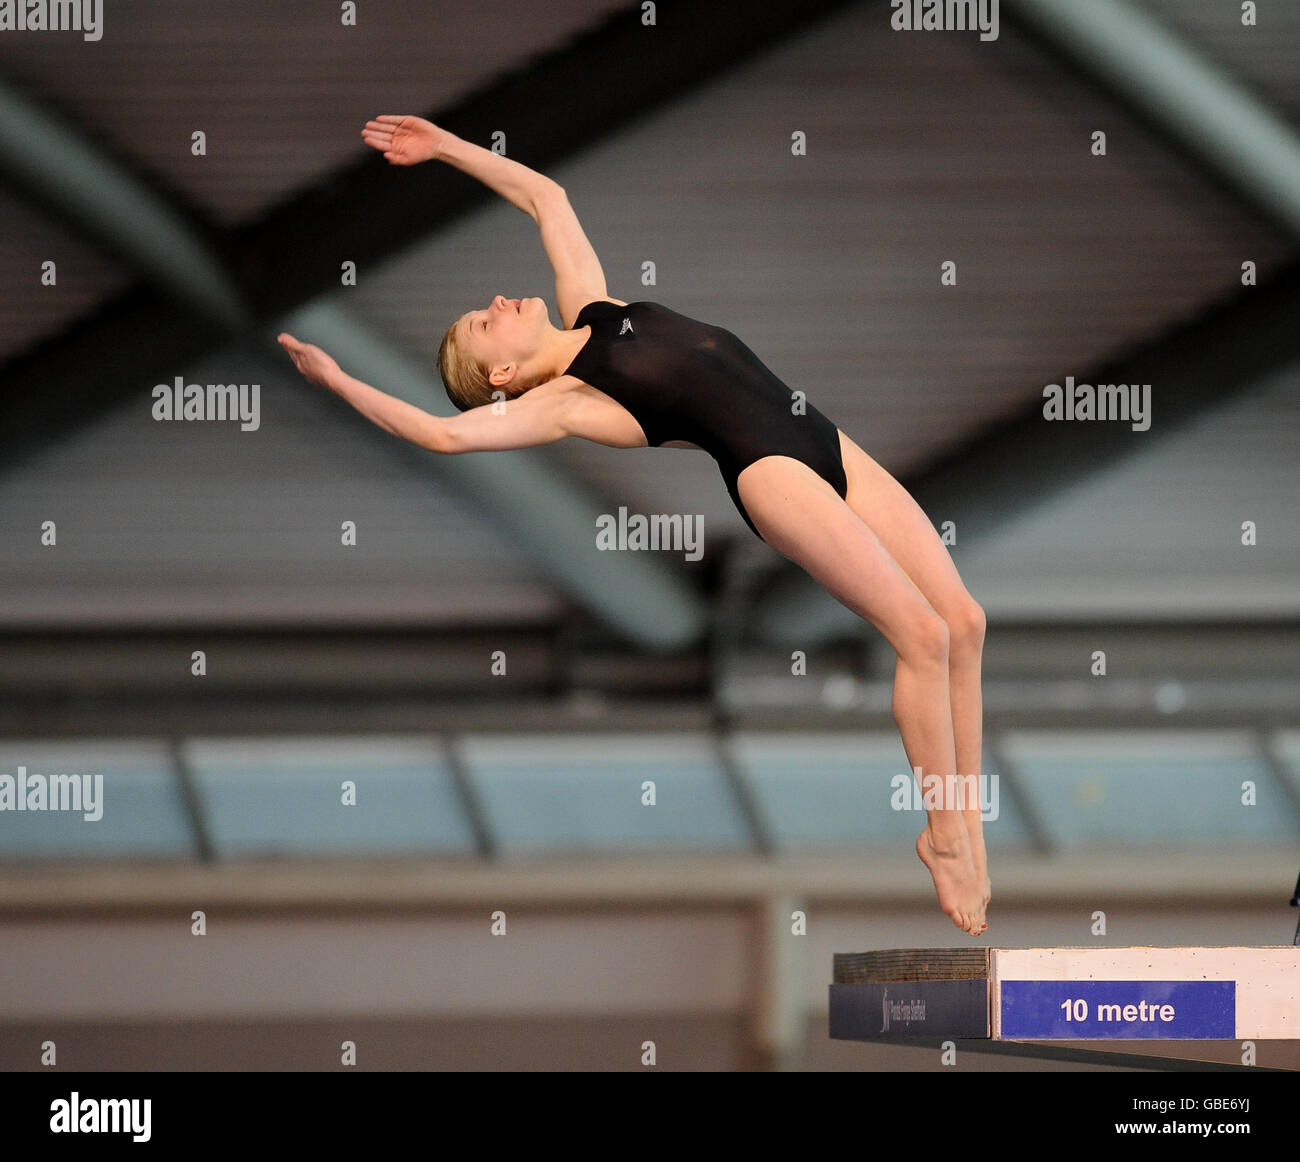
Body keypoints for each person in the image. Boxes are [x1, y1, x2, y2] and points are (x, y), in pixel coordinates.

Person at [279, 115, 990, 936]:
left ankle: (966, 826)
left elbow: (546, 197)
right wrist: (338, 381)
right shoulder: (566, 401)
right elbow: (444, 434)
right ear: (502, 373)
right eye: (485, 323)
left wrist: (443, 148)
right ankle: (941, 835)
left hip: (819, 436)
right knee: (922, 638)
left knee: (964, 623)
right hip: (773, 470)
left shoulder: (598, 308)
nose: (496, 303)